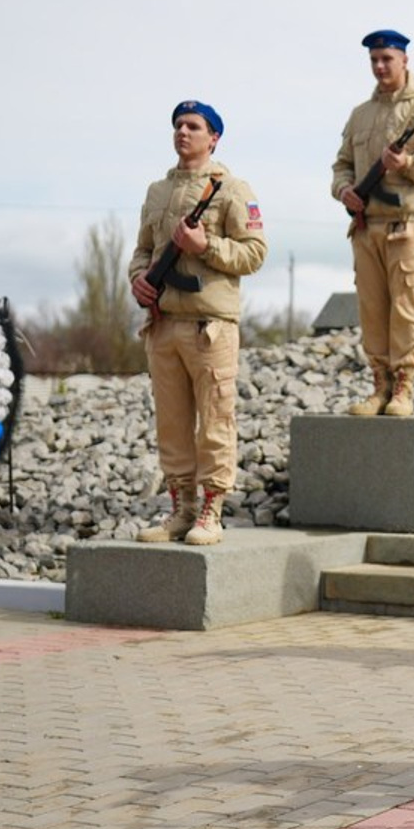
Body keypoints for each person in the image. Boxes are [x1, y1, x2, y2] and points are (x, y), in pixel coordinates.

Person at [129, 101, 267, 546]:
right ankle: (180, 509)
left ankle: (212, 509)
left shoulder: (231, 189)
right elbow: (142, 252)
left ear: (214, 137)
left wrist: (206, 246)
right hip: (164, 323)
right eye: (178, 126)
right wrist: (138, 281)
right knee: (171, 423)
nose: (182, 132)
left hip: (210, 325)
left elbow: (254, 253)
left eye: (193, 126)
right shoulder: (157, 191)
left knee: (214, 420)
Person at [332, 29, 414, 417]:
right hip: (366, 225)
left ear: (405, 60)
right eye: (374, 60)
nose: (380, 66)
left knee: (404, 307)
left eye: (387, 58)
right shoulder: (360, 115)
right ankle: (379, 386)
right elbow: (341, 165)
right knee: (372, 309)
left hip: (406, 224)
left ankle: (403, 387)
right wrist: (345, 191)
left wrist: (407, 164)